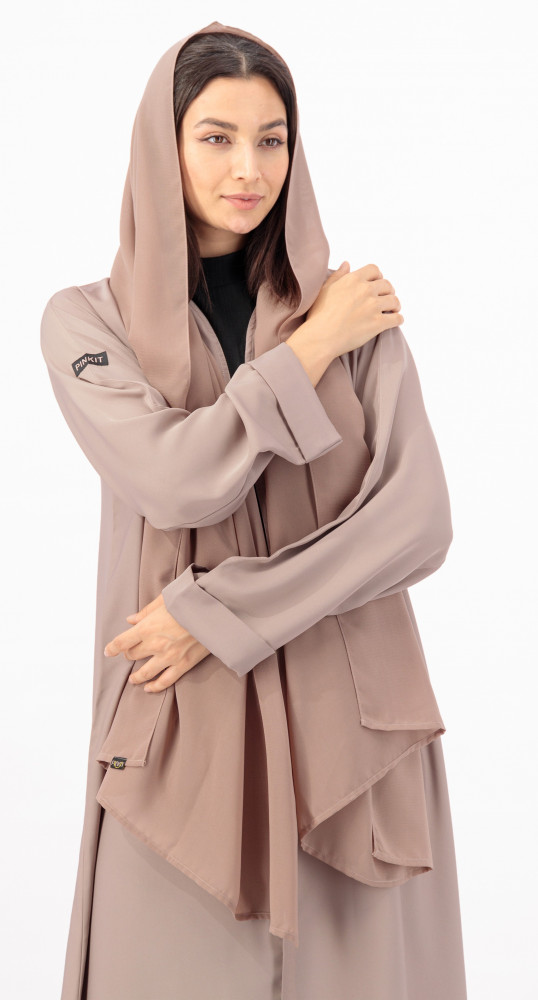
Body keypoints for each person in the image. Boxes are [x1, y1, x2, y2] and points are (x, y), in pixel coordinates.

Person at [40, 21, 468, 1000]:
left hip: (353, 742)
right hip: (178, 737)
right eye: (216, 137)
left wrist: (216, 611)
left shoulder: (358, 312)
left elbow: (417, 520)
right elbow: (176, 479)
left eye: (271, 138)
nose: (249, 167)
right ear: (163, 145)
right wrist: (308, 353)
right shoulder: (87, 323)